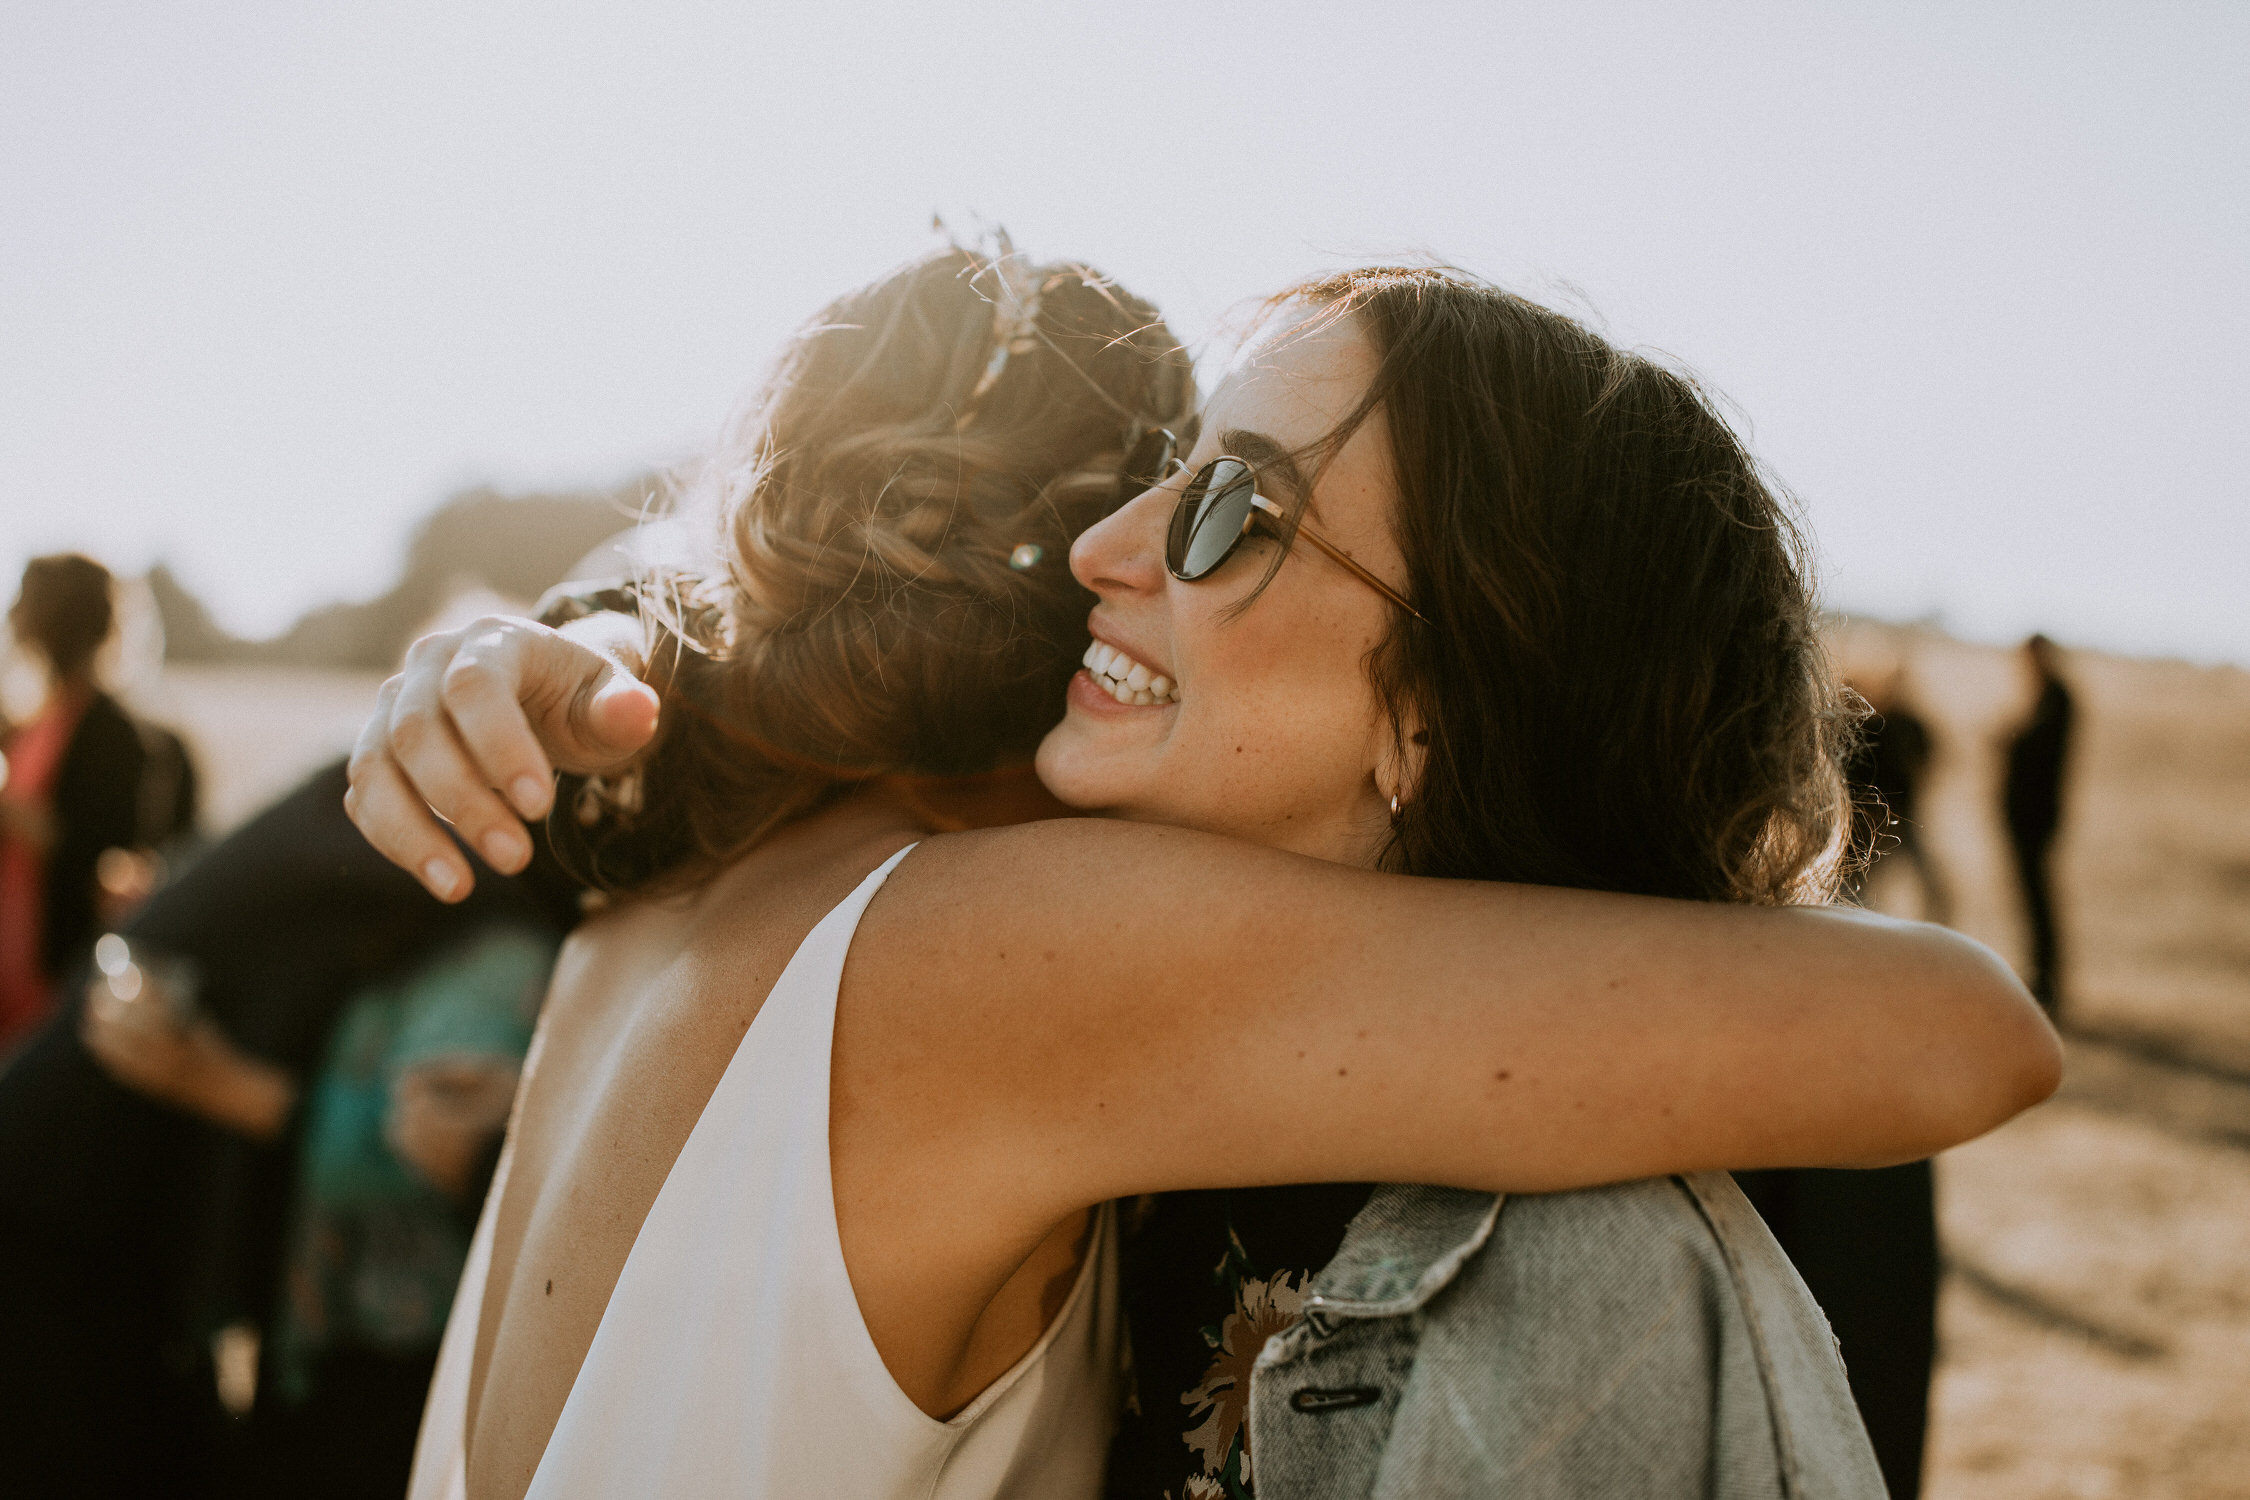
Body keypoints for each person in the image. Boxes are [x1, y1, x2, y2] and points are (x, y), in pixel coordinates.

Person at [350, 256, 2059, 1500]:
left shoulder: (671, 881)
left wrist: (573, 649)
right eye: (1152, 483)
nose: (1105, 557)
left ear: (1441, 705)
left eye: (1228, 506)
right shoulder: (1011, 952)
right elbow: (1959, 1031)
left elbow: (1967, 1041)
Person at [0, 759, 576, 1500]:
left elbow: (426, 1145)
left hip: (376, 1346)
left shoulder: (491, 942)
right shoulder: (413, 888)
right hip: (296, 1326)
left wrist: (230, 1087)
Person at [1, 554, 147, 1051]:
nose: (11, 613)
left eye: (21, 602)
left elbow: (97, 856)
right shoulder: (32, 722)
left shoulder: (112, 733)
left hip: (58, 971)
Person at [2003, 633, 2074, 1014]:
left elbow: (2041, 753)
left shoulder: (2058, 698)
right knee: (2031, 900)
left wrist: (2010, 740)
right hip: (2023, 816)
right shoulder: (2041, 696)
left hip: (2035, 816)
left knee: (2039, 901)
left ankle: (2048, 979)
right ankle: (2040, 974)